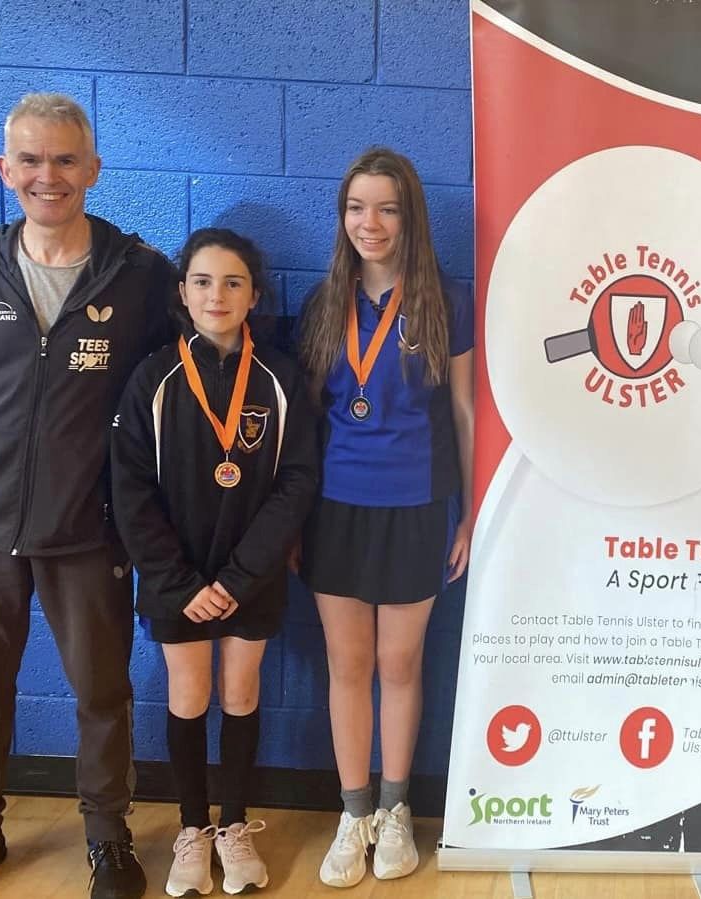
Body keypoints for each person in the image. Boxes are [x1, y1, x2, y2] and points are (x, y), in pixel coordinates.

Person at [0, 92, 174, 899]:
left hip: (88, 530)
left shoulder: (143, 275)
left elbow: (168, 412)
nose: (47, 175)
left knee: (102, 692)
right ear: (4, 168)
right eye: (30, 159)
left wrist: (152, 523)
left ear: (93, 168)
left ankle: (108, 837)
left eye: (64, 159)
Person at [109, 229, 319, 896]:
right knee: (189, 694)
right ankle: (193, 829)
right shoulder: (154, 379)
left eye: (233, 282)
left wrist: (239, 578)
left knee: (242, 692)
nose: (216, 295)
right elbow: (130, 491)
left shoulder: (280, 378)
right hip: (178, 579)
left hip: (249, 577)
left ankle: (233, 824)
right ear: (182, 291)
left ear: (255, 295)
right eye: (202, 281)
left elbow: (297, 483)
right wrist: (179, 584)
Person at [297, 146, 474, 888]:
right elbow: (305, 423)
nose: (370, 223)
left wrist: (468, 514)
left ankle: (396, 809)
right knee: (348, 665)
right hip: (335, 509)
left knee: (400, 664)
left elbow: (464, 410)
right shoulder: (323, 303)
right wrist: (293, 522)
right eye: (356, 207)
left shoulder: (446, 301)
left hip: (417, 506)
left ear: (410, 218)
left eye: (387, 208)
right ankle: (353, 813)